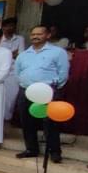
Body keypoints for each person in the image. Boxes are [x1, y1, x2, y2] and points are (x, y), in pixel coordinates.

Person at [14, 26, 69, 163]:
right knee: (27, 121)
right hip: (26, 90)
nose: (35, 37)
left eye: (39, 34)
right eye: (33, 34)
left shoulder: (58, 52)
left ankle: (54, 152)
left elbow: (63, 73)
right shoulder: (24, 54)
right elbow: (17, 72)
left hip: (48, 91)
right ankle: (31, 149)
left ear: (48, 35)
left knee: (50, 122)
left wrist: (53, 88)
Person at [0, 17, 26, 121]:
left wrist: (7, 55)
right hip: (0, 72)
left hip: (14, 72)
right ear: (3, 27)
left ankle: (8, 119)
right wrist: (11, 54)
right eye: (8, 26)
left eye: (12, 25)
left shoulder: (20, 39)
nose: (10, 28)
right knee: (0, 96)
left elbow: (21, 56)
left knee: (12, 96)